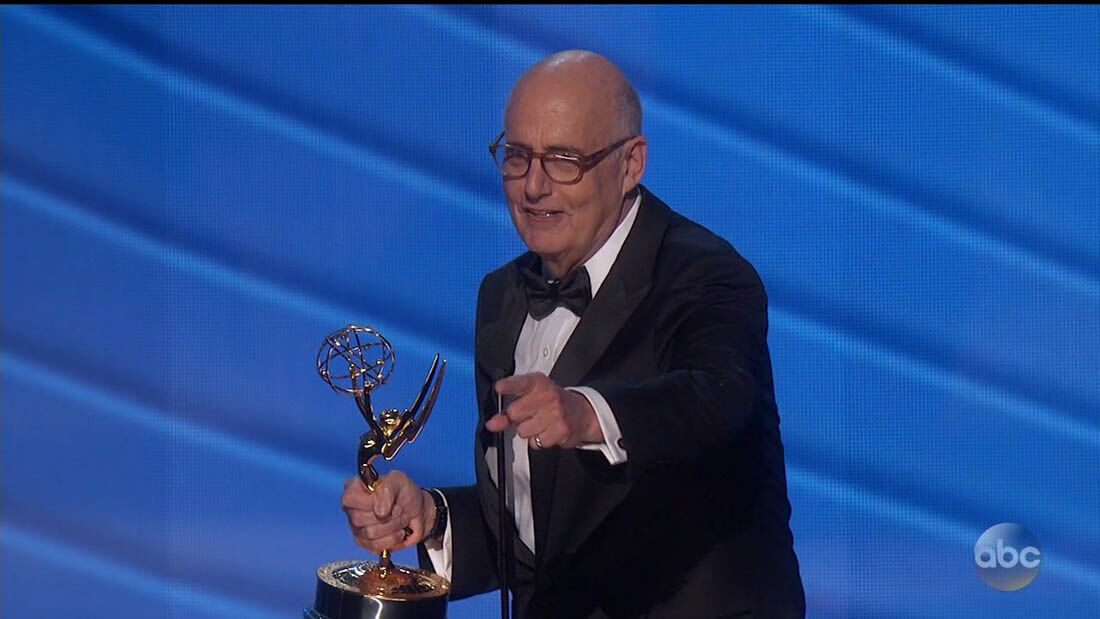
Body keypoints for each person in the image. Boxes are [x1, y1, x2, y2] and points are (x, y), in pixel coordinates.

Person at [342, 50, 805, 619]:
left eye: (564, 160)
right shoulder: (502, 296)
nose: (534, 186)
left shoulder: (704, 273)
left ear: (631, 164)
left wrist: (587, 414)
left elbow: (717, 398)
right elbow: (544, 531)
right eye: (517, 157)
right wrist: (431, 518)